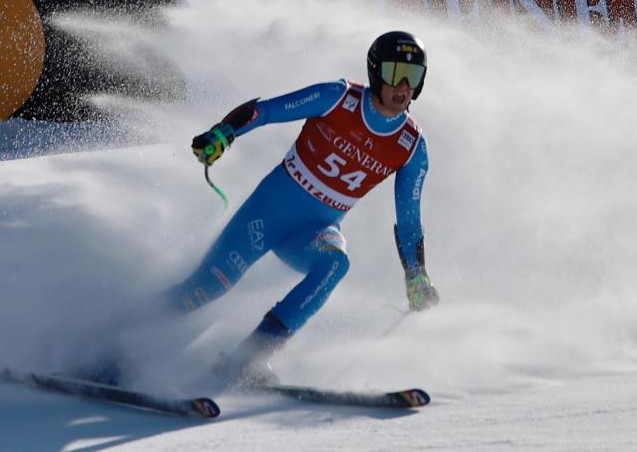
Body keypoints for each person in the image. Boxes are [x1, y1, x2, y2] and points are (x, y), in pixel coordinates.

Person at [173, 31, 439, 385]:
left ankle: (250, 358)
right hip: (266, 215)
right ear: (376, 72)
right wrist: (224, 133)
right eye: (394, 73)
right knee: (206, 288)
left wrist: (416, 275)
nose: (403, 86)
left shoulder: (411, 146)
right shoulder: (338, 97)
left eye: (413, 76)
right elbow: (265, 110)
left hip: (313, 231)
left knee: (335, 264)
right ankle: (119, 342)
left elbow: (409, 220)